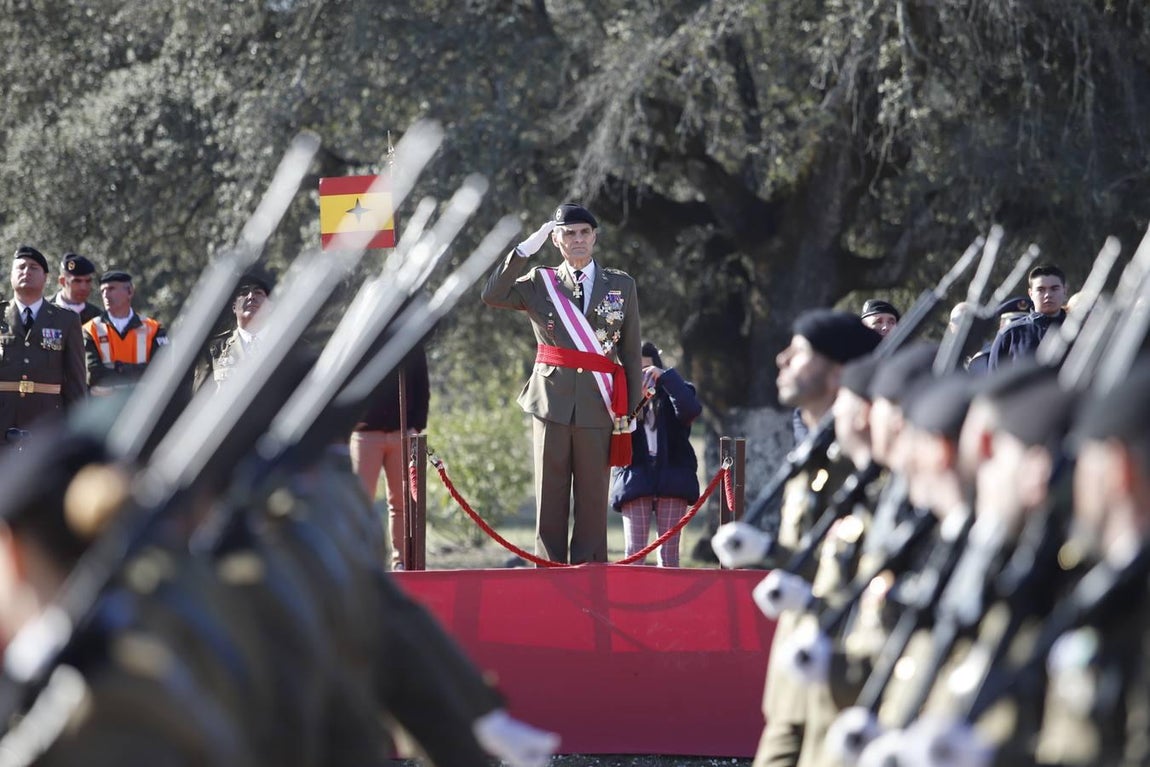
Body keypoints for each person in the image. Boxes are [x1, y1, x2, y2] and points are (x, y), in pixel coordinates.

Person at [752, 309, 880, 767]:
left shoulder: (868, 465)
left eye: (802, 351)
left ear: (838, 371)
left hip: (841, 691)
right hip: (791, 685)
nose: (782, 359)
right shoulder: (811, 456)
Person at [482, 203, 642, 565]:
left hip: (599, 404)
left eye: (585, 232)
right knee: (549, 498)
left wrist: (629, 410)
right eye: (569, 233)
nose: (578, 239)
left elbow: (631, 353)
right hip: (550, 402)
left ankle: (590, 575)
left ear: (595, 237)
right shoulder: (541, 282)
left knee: (592, 501)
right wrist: (523, 251)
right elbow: (492, 295)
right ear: (556, 239)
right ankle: (549, 573)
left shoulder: (621, 285)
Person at [609, 340, 701, 567]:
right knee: (634, 553)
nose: (643, 377)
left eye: (647, 370)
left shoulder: (675, 393)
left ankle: (668, 592)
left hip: (673, 478)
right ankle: (633, 590)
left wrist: (666, 378)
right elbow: (615, 432)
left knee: (669, 556)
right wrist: (635, 401)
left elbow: (690, 409)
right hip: (635, 478)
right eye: (636, 371)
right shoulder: (620, 397)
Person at [349, 342, 430, 570]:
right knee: (359, 502)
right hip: (365, 435)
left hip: (401, 433)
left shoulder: (410, 341)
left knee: (401, 503)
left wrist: (416, 426)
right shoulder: (360, 339)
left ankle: (400, 562)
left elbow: (422, 386)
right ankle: (361, 562)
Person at [0, 245, 87, 443]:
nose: (26, 272)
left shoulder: (66, 320)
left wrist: (78, 431)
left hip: (47, 423)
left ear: (45, 278)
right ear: (11, 275)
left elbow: (75, 382)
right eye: (21, 267)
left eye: (33, 268)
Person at [82, 270, 167, 395]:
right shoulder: (90, 330)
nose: (106, 295)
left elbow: (162, 370)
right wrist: (140, 371)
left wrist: (118, 368)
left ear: (130, 291)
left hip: (144, 403)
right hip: (107, 404)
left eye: (111, 289)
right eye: (103, 291)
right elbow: (94, 376)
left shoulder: (154, 329)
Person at [194, 272, 272, 392]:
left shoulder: (289, 344)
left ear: (270, 305)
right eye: (244, 293)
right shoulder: (214, 349)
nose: (251, 296)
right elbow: (199, 398)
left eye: (258, 292)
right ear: (234, 306)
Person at [988, 264, 1068, 369]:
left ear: (1064, 291)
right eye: (1041, 290)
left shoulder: (1079, 332)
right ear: (1031, 294)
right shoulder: (1011, 334)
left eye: (1054, 289)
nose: (1048, 295)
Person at [966, 296, 1033, 373]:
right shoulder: (984, 359)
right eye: (1012, 327)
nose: (1017, 332)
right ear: (1001, 326)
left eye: (1024, 328)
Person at [52, 253, 102, 323]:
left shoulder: (98, 318)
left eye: (88, 281)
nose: (83, 287)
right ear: (62, 281)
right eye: (77, 281)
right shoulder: (41, 309)